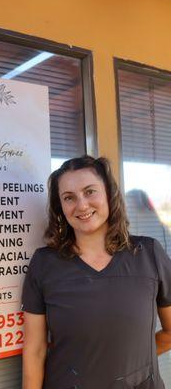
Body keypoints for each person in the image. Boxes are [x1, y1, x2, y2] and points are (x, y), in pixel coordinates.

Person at [22, 155, 171, 389]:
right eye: (69, 197)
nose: (81, 205)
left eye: (90, 191)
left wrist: (134, 363)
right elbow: (35, 350)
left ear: (109, 195)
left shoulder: (148, 254)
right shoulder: (44, 264)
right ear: (60, 207)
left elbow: (170, 332)